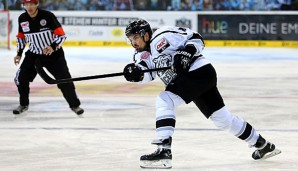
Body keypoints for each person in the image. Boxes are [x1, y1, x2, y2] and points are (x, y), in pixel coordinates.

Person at [123, 19, 281, 169]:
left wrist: (186, 53)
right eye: (130, 39)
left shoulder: (162, 36)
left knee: (165, 100)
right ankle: (262, 144)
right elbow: (148, 73)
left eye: (135, 37)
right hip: (195, 80)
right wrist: (136, 75)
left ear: (145, 34)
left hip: (198, 71)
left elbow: (196, 38)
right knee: (223, 120)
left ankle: (164, 150)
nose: (133, 43)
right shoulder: (140, 55)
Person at [13, 0, 84, 116]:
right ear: (24, 5)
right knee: (21, 78)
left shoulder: (48, 16)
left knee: (65, 80)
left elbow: (61, 35)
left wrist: (53, 47)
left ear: (37, 5)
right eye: (26, 4)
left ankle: (75, 105)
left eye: (32, 4)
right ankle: (23, 104)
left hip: (54, 55)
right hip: (34, 54)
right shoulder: (22, 18)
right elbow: (21, 37)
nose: (29, 7)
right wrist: (19, 53)